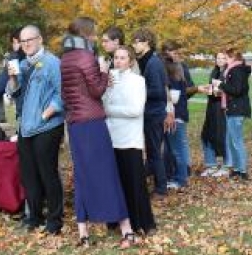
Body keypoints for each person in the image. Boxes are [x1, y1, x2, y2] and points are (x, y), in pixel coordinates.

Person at [59, 18, 137, 247]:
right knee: (107, 173)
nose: (95, 36)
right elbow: (96, 90)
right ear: (86, 33)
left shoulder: (64, 59)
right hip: (92, 121)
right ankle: (126, 229)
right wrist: (104, 73)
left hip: (74, 123)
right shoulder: (86, 57)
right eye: (93, 32)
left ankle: (83, 233)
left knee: (82, 175)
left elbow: (65, 94)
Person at [8, 24, 65, 234]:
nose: (26, 44)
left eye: (30, 40)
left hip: (47, 127)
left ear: (40, 39)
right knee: (29, 175)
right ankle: (34, 217)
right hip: (25, 127)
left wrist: (47, 113)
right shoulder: (22, 65)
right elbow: (14, 94)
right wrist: (13, 77)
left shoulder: (52, 63)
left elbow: (63, 93)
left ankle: (54, 220)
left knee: (47, 173)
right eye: (22, 41)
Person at [103, 46, 156, 236]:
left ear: (131, 61)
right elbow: (103, 105)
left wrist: (111, 110)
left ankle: (143, 222)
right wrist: (107, 92)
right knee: (116, 182)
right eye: (116, 58)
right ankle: (116, 220)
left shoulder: (138, 81)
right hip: (112, 137)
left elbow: (135, 110)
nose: (118, 61)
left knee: (135, 182)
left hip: (130, 139)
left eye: (122, 58)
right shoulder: (109, 80)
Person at [130, 28, 171, 198]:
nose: (134, 44)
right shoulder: (146, 61)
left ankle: (161, 188)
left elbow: (159, 91)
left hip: (154, 114)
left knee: (154, 152)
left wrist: (137, 91)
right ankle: (150, 182)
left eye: (137, 41)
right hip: (149, 113)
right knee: (151, 151)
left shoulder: (153, 63)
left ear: (146, 42)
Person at [163, 40, 196, 189]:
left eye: (176, 53)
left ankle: (180, 178)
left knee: (177, 148)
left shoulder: (177, 70)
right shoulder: (176, 70)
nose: (175, 56)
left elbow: (176, 96)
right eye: (173, 52)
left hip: (176, 114)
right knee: (173, 147)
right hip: (178, 113)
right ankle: (176, 176)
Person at [219, 48, 252, 180]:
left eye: (226, 57)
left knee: (237, 140)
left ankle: (243, 170)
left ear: (233, 57)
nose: (225, 60)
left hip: (237, 109)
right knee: (232, 141)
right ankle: (238, 168)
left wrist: (222, 85)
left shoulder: (236, 70)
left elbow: (237, 90)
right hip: (231, 108)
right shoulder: (232, 70)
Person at [199, 52, 229, 177]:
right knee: (206, 134)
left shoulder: (228, 73)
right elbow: (213, 90)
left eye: (223, 58)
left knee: (222, 136)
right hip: (212, 107)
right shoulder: (214, 72)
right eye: (218, 58)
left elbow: (232, 90)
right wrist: (208, 90)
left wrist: (220, 92)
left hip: (223, 108)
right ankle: (211, 164)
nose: (220, 60)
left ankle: (226, 166)